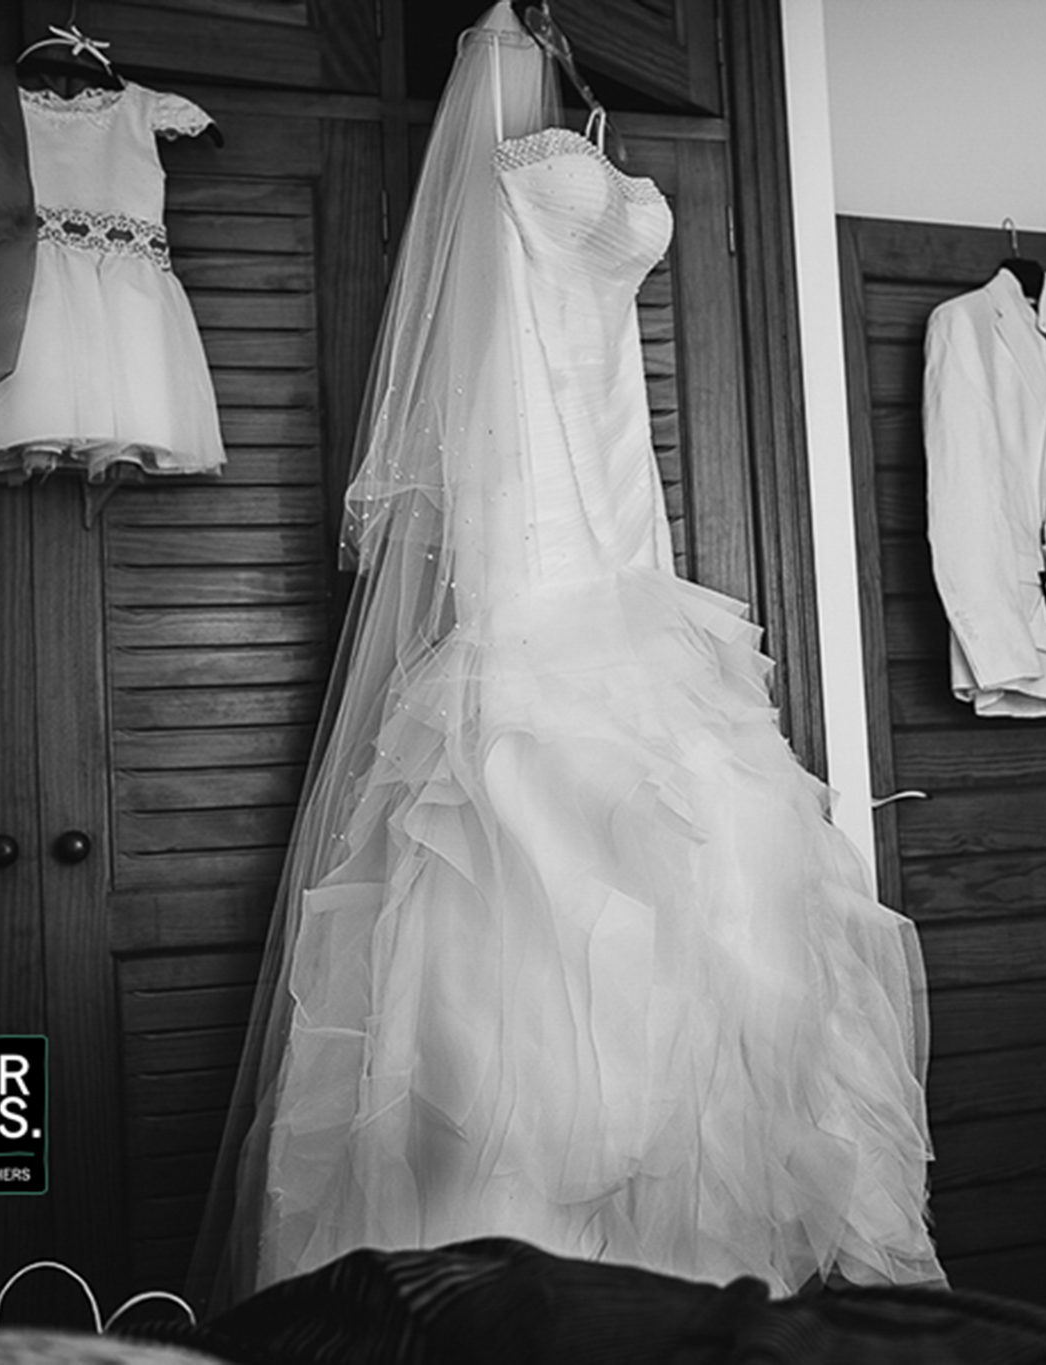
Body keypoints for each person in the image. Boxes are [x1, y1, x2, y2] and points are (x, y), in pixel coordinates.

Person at [193, 3, 942, 1303]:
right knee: (533, 947)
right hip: (539, 544)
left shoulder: (561, 106)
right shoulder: (497, 97)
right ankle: (537, 1292)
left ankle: (673, 1296)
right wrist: (499, 594)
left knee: (700, 925)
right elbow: (480, 375)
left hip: (626, 545)